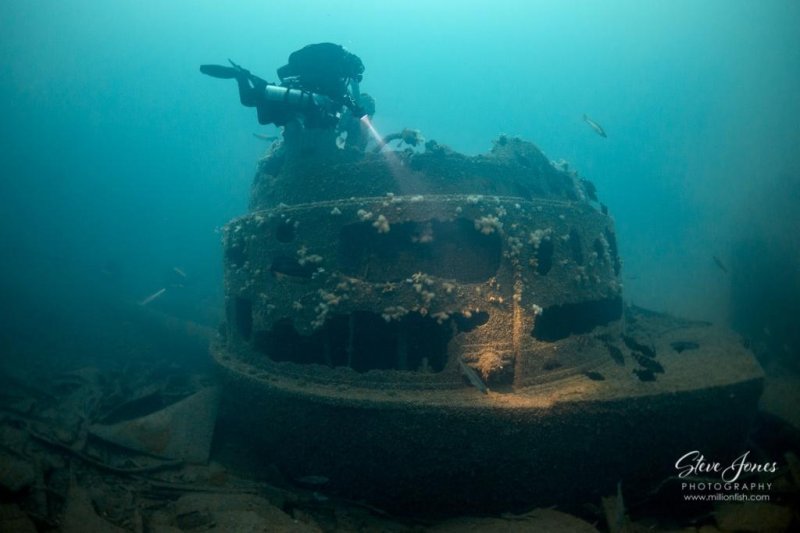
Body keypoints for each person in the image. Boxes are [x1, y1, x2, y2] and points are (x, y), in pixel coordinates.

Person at [202, 43, 365, 129]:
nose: (351, 79)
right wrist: (356, 108)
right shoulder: (333, 77)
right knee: (250, 101)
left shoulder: (331, 75)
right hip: (290, 97)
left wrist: (353, 107)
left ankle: (244, 76)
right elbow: (341, 94)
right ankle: (240, 75)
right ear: (349, 69)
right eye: (353, 75)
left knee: (254, 103)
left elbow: (340, 94)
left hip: (290, 92)